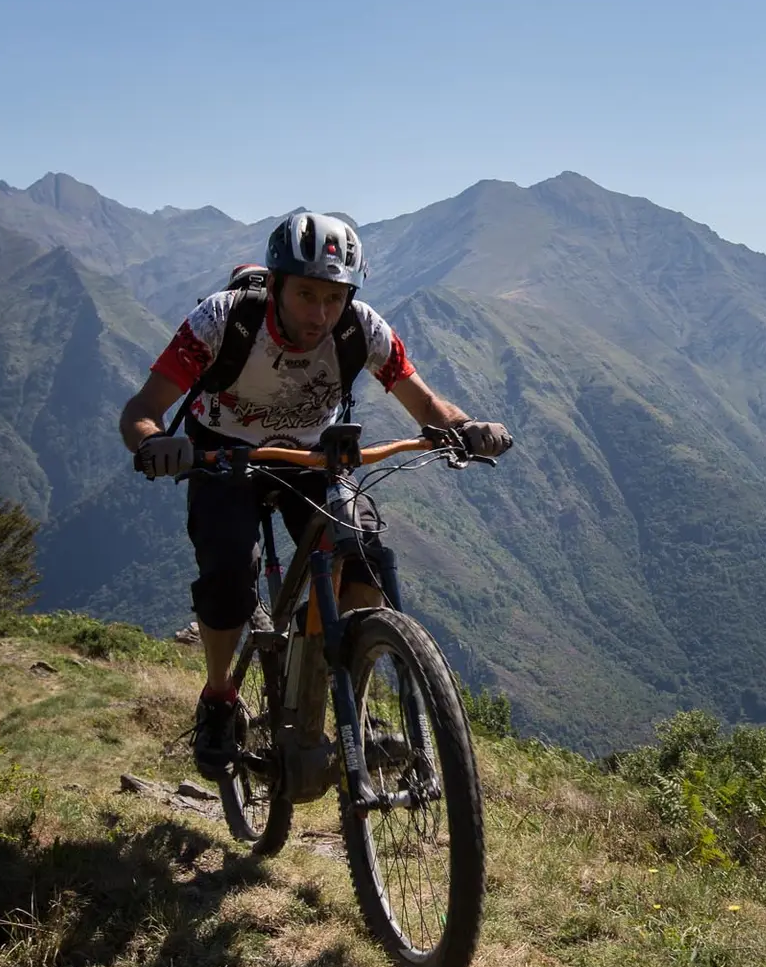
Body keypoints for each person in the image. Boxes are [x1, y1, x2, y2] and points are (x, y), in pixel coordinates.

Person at [118, 212, 512, 780]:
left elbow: (426, 405)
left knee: (364, 556)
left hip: (311, 459)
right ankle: (220, 696)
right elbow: (142, 409)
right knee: (228, 570)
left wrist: (466, 427)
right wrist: (156, 443)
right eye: (306, 294)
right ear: (275, 284)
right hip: (224, 456)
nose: (320, 314)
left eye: (333, 298)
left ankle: (345, 687)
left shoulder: (362, 330)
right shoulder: (221, 321)